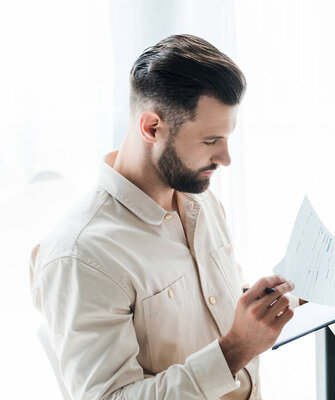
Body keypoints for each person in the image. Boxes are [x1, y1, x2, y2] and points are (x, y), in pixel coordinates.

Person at [29, 34, 296, 400]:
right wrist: (235, 349)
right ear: (151, 127)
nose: (226, 158)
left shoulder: (200, 203)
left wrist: (263, 303)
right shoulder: (82, 256)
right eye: (210, 141)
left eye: (227, 138)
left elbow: (201, 309)